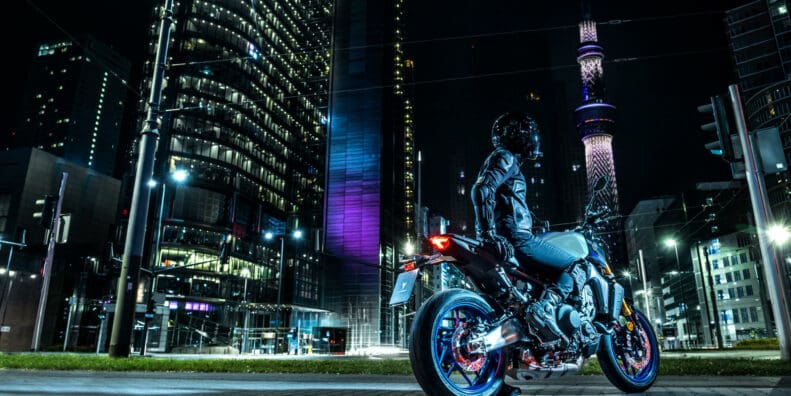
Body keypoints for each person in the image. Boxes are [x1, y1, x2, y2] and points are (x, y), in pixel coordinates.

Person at [470, 111, 579, 395]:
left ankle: (496, 383)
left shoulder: (509, 162)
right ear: (517, 135)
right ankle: (546, 307)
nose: (533, 138)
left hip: (510, 237)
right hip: (516, 240)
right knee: (574, 266)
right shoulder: (504, 156)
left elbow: (506, 200)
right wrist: (487, 234)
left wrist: (534, 218)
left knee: (505, 311)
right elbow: (482, 189)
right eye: (528, 132)